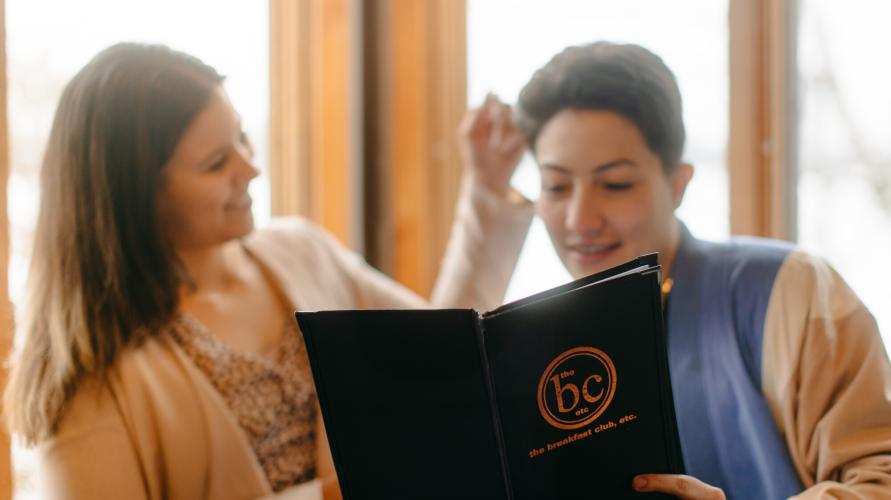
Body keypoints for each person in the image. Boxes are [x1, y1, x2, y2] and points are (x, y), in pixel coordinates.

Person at [2, 43, 533, 499]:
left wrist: (486, 190)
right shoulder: (87, 373)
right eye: (216, 163)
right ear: (131, 197)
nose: (251, 168)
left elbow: (450, 355)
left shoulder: (302, 251)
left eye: (243, 139)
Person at [463, 41, 891, 499]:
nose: (580, 221)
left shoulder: (786, 289)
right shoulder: (545, 347)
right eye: (556, 186)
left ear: (678, 183)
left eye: (616, 184)